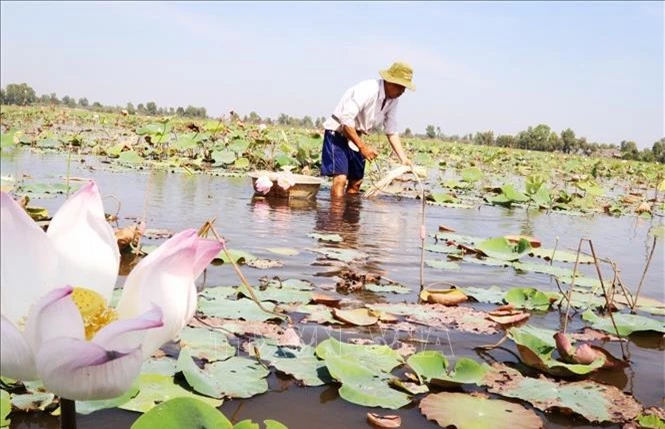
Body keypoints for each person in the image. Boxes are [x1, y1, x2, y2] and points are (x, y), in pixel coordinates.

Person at [321, 62, 416, 198]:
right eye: (400, 86)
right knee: (341, 178)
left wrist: (403, 158)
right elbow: (346, 121)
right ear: (389, 82)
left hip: (356, 136)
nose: (402, 91)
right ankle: (335, 218)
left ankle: (349, 217)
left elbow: (391, 129)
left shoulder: (393, 100)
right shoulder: (368, 89)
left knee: (356, 182)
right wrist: (363, 147)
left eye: (404, 88)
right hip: (338, 133)